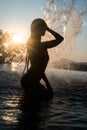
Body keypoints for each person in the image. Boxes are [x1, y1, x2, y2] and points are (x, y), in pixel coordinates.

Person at [21, 18, 64, 102]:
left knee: (32, 109)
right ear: (38, 28)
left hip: (29, 81)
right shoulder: (38, 45)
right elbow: (38, 68)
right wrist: (48, 85)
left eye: (45, 27)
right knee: (45, 101)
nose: (45, 29)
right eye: (43, 27)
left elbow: (60, 39)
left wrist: (47, 28)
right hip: (30, 81)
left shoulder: (38, 44)